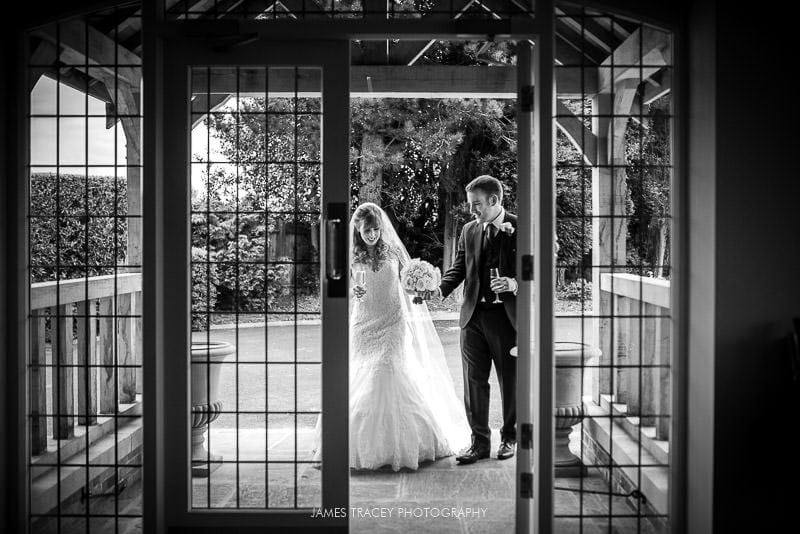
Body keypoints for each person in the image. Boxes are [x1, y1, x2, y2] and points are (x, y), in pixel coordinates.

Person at [311, 202, 470, 471]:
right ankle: (360, 444)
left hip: (393, 322)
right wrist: (354, 292)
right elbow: (346, 288)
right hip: (364, 323)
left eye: (375, 230)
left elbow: (408, 282)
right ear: (357, 231)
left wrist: (420, 286)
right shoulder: (351, 255)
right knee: (363, 376)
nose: (372, 235)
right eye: (366, 231)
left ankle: (402, 443)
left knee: (385, 372)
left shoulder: (393, 250)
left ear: (381, 228)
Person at [439, 175, 519, 465]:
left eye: (476, 205)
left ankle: (510, 437)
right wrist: (439, 289)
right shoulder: (469, 230)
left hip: (506, 318)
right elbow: (459, 267)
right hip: (472, 316)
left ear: (494, 200)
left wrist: (513, 283)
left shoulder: (520, 226)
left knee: (510, 381)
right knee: (474, 382)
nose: (471, 210)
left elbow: (538, 268)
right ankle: (479, 443)